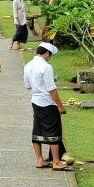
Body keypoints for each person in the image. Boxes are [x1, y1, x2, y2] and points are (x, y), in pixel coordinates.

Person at [23, 42, 73, 172]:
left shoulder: (28, 65)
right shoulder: (46, 67)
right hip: (47, 102)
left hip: (35, 100)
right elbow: (52, 89)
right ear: (47, 53)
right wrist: (60, 106)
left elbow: (28, 85)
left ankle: (39, 159)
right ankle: (56, 161)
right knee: (53, 131)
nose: (50, 57)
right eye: (50, 55)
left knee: (38, 129)